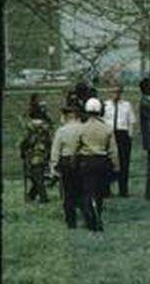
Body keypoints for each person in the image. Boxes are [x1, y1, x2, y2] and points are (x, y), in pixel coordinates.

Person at [75, 97, 119, 232]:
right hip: (102, 162)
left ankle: (90, 220)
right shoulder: (107, 128)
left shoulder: (81, 128)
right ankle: (98, 214)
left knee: (87, 191)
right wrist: (116, 166)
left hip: (87, 161)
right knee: (99, 192)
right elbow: (113, 150)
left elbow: (76, 146)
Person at [50, 96, 83, 227]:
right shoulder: (83, 128)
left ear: (67, 116)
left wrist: (53, 166)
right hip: (81, 161)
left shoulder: (61, 131)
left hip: (66, 162)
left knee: (68, 192)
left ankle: (71, 221)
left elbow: (55, 150)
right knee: (81, 190)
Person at [101, 85, 135, 197]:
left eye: (118, 92)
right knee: (108, 162)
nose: (116, 94)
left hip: (122, 134)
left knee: (124, 163)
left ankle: (123, 190)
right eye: (113, 92)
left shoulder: (126, 105)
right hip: (110, 134)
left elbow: (131, 122)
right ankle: (106, 190)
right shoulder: (105, 105)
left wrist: (129, 136)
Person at [20, 100, 53, 203]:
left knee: (36, 176)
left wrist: (22, 151)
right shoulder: (47, 126)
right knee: (37, 176)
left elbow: (25, 141)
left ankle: (43, 198)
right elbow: (50, 140)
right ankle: (31, 196)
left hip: (34, 154)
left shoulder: (30, 126)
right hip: (46, 154)